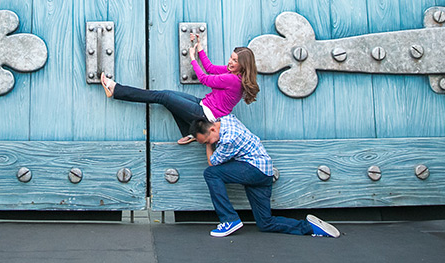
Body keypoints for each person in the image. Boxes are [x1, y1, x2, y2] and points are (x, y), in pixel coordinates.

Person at [191, 115, 340, 239]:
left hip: (253, 169)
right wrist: (198, 137)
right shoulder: (226, 119)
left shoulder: (229, 139)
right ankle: (311, 228)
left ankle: (229, 220)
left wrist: (207, 146)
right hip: (263, 173)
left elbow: (213, 162)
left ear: (212, 129)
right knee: (265, 223)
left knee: (210, 173)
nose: (211, 143)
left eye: (208, 140)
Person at [100, 34, 259, 144]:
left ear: (243, 65)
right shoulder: (233, 73)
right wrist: (200, 49)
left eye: (235, 60)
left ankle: (115, 89)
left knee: (163, 97)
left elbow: (204, 79)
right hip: (204, 105)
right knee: (169, 99)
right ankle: (192, 133)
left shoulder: (231, 79)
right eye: (231, 57)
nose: (230, 62)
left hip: (206, 115)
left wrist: (192, 59)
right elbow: (210, 68)